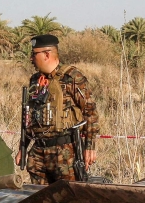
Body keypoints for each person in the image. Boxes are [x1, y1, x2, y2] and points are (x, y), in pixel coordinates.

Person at [17, 34, 100, 184]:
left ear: (47, 55)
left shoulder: (72, 77)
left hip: (64, 153)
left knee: (68, 200)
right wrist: (22, 148)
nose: (30, 58)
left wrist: (89, 147)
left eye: (34, 54)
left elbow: (90, 113)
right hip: (38, 153)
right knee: (40, 200)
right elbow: (30, 118)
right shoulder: (35, 80)